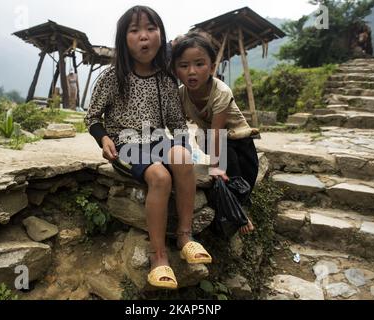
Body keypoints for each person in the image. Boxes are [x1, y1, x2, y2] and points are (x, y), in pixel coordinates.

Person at [84, 6, 212, 290]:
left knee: (182, 156)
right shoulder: (111, 77)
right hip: (125, 144)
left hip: (158, 141)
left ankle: (185, 237)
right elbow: (92, 117)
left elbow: (177, 123)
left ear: (160, 35)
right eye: (135, 30)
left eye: (151, 29)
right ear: (124, 39)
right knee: (160, 177)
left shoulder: (166, 80)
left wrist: (179, 150)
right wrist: (103, 139)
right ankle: (158, 257)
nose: (144, 37)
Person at [171, 33, 259, 235]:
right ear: (176, 70)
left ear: (212, 68)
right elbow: (178, 127)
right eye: (183, 66)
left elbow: (218, 132)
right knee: (226, 165)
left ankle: (239, 210)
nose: (191, 72)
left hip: (239, 138)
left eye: (199, 64)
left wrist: (216, 167)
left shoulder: (221, 91)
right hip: (209, 139)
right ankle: (238, 213)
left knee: (240, 175)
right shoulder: (181, 95)